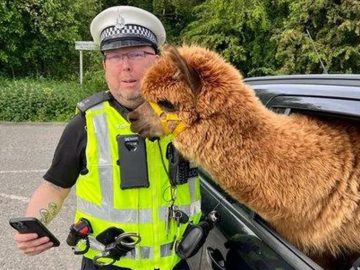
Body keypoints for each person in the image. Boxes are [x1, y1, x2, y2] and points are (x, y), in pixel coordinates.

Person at [15, 6, 202, 270]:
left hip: (175, 263)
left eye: (137, 54)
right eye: (115, 56)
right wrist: (33, 225)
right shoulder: (85, 124)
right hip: (106, 265)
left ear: (158, 60)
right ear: (104, 65)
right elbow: (55, 187)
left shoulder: (187, 115)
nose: (126, 66)